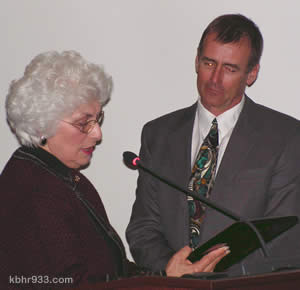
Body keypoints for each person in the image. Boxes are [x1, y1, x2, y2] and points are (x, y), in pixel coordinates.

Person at [0, 51, 229, 289]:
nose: (97, 134)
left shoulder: (64, 178)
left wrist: (164, 276)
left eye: (98, 119)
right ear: (41, 125)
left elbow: (113, 268)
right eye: (83, 123)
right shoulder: (35, 190)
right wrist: (165, 282)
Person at [126, 14, 300, 275]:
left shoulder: (285, 137)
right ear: (196, 61)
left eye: (230, 68)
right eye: (209, 63)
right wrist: (171, 269)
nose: (215, 79)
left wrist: (214, 275)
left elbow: (284, 237)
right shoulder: (158, 135)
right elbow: (143, 228)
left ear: (251, 73)